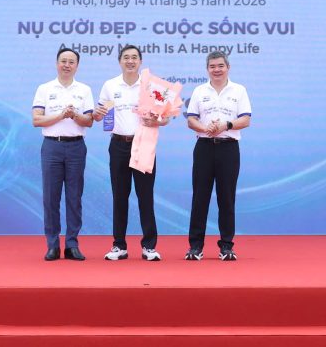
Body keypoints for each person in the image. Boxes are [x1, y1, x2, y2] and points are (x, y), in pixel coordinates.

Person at [93, 45, 168, 261]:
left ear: (140, 61)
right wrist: (98, 115)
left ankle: (149, 246)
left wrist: (157, 120)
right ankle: (119, 246)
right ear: (120, 61)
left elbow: (165, 117)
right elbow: (101, 116)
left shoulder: (150, 86)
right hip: (118, 144)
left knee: (145, 196)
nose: (130, 61)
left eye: (134, 57)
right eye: (126, 57)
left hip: (143, 144)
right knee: (119, 196)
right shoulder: (110, 85)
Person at [184, 51, 251, 261]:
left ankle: (227, 247)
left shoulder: (239, 90)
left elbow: (245, 120)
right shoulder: (199, 90)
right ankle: (196, 247)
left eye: (220, 66)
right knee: (200, 198)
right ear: (207, 69)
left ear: (228, 67)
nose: (217, 70)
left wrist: (226, 125)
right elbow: (191, 120)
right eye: (212, 66)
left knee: (227, 198)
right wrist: (205, 128)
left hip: (228, 149)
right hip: (204, 147)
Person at [31, 47, 94, 261]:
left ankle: (72, 244)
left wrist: (74, 115)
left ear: (77, 66)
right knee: (51, 197)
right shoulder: (44, 88)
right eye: (63, 61)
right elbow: (36, 120)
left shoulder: (84, 90)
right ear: (57, 63)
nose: (67, 65)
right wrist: (60, 115)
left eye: (71, 62)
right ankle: (52, 245)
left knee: (74, 197)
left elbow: (89, 121)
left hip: (76, 147)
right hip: (52, 147)